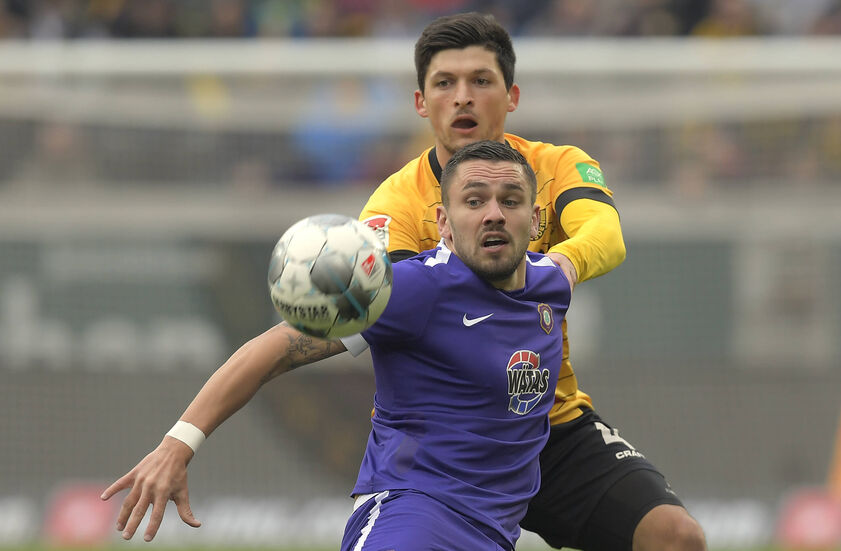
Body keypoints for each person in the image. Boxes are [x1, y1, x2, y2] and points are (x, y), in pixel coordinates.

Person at [101, 140, 571, 550]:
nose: (494, 213)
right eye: (474, 201)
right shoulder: (412, 290)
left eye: (510, 201)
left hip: (494, 534)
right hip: (413, 520)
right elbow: (274, 349)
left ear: (535, 221)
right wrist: (178, 445)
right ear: (444, 223)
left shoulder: (552, 286)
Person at [357, 12, 706, 551]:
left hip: (548, 420)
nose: (463, 97)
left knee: (675, 536)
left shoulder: (558, 164)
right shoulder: (393, 205)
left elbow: (606, 235)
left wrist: (556, 267)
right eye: (445, 84)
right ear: (421, 103)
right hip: (448, 440)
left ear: (511, 95)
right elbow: (389, 310)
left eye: (481, 81)